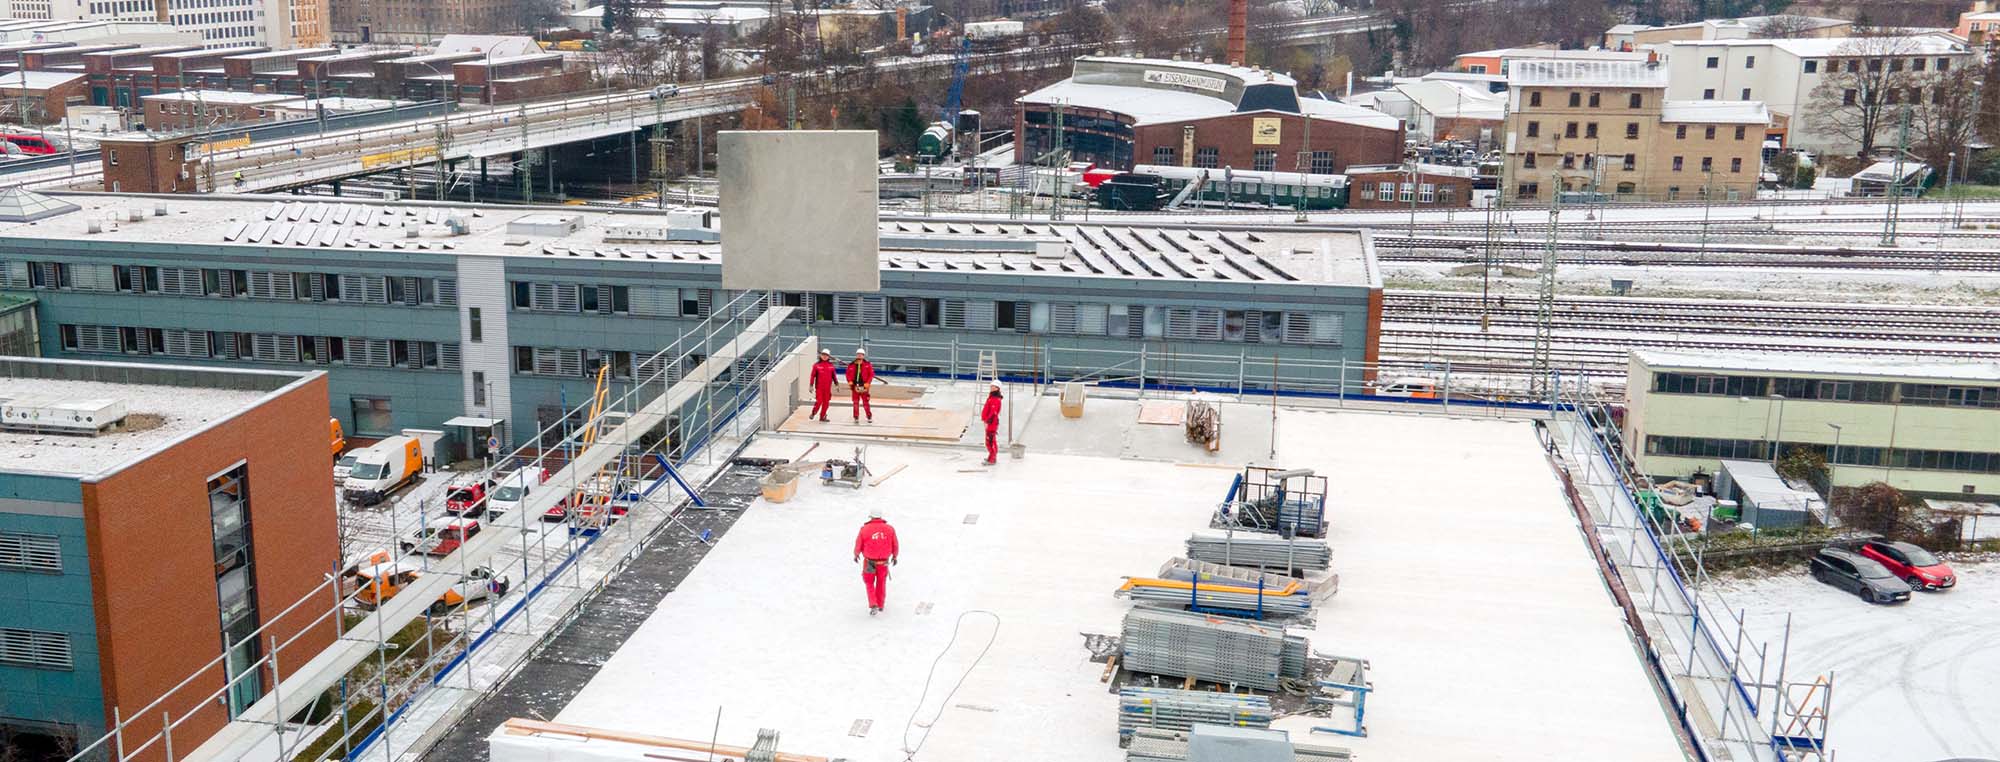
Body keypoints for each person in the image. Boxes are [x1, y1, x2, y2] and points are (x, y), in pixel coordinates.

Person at [853, 507, 899, 615]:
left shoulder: (864, 529)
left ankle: (873, 603)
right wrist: (895, 556)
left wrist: (856, 554)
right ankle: (881, 604)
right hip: (883, 562)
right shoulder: (890, 529)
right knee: (881, 582)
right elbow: (895, 544)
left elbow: (858, 544)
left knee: (869, 582)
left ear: (871, 517)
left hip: (869, 562)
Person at [846, 348, 874, 423]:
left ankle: (869, 416)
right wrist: (850, 382)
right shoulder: (851, 365)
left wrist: (868, 383)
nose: (859, 356)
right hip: (855, 386)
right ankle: (856, 417)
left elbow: (871, 374)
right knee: (855, 402)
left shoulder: (868, 365)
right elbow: (848, 374)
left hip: (864, 386)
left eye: (861, 354)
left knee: (865, 402)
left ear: (863, 356)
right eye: (858, 354)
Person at [809, 349, 837, 422]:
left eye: (826, 355)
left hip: (827, 389)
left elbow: (834, 376)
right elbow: (812, 376)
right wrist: (811, 385)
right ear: (820, 356)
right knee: (819, 401)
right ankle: (813, 413)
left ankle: (822, 416)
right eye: (823, 355)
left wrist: (837, 384)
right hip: (819, 388)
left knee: (826, 403)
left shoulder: (831, 366)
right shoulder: (816, 365)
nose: (824, 356)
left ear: (828, 357)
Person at [980, 380, 1003, 465]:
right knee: (991, 441)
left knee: (990, 441)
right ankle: (991, 457)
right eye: (991, 386)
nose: (991, 388)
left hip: (991, 423)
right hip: (990, 422)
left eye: (993, 386)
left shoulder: (995, 399)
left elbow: (993, 413)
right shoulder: (992, 397)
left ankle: (992, 459)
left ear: (997, 388)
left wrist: (987, 421)